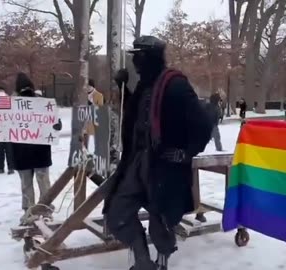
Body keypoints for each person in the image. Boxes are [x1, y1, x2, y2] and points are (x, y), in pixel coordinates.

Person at [104, 36, 213, 270]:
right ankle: (143, 262)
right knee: (117, 211)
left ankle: (161, 263)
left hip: (164, 166)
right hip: (138, 160)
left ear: (148, 57)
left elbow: (203, 122)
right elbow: (137, 114)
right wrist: (124, 89)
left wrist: (187, 152)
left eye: (137, 57)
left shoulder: (176, 84)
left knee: (160, 219)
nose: (134, 63)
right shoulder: (145, 84)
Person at [11, 73, 62, 222]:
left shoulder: (12, 104)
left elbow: (56, 124)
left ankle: (32, 210)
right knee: (42, 182)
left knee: (28, 183)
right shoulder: (41, 103)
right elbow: (57, 125)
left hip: (24, 152)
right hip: (38, 152)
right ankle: (43, 210)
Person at [0, 87, 15, 175]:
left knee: (10, 151)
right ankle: (0, 168)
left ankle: (11, 167)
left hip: (9, 131)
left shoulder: (12, 104)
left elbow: (17, 117)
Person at [83, 78, 104, 148]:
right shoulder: (83, 95)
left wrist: (91, 104)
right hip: (85, 120)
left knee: (95, 140)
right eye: (87, 86)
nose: (88, 88)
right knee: (84, 138)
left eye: (89, 86)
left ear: (93, 86)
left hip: (94, 121)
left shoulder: (99, 95)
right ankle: (84, 152)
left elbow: (100, 109)